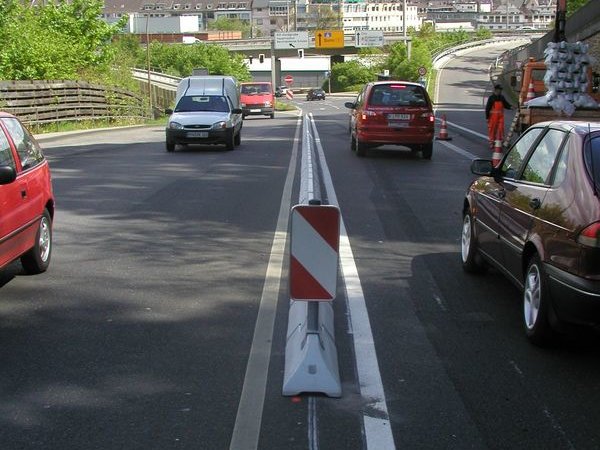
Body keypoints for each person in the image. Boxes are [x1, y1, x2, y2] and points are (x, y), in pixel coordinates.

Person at [485, 84, 512, 149]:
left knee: (501, 129)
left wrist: (511, 107)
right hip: (493, 118)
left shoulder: (502, 97)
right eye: (499, 90)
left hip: (500, 117)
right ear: (496, 90)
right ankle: (492, 142)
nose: (500, 91)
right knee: (492, 130)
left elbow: (506, 104)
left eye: (501, 90)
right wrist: (487, 117)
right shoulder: (491, 98)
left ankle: (501, 141)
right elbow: (487, 108)